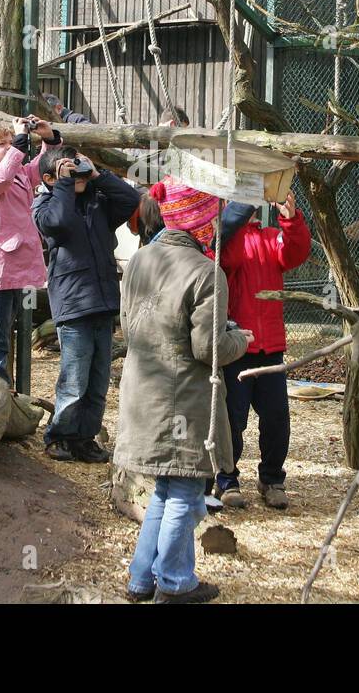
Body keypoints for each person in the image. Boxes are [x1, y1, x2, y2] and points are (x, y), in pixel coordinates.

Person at [117, 176, 252, 604]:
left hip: (143, 392)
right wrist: (240, 340)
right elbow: (208, 348)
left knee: (165, 488)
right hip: (183, 400)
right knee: (187, 489)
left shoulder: (140, 259)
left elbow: (130, 324)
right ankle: (175, 583)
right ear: (203, 220)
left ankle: (141, 579)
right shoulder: (204, 272)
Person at [33, 147, 141, 463]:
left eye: (76, 169)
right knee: (74, 379)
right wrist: (64, 185)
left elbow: (130, 201)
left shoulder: (98, 200)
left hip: (103, 300)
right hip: (74, 303)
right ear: (49, 179)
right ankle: (59, 437)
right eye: (66, 172)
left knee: (96, 382)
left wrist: (97, 174)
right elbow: (58, 223)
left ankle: (85, 438)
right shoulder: (44, 205)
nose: (76, 176)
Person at [213, 192, 312, 510]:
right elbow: (227, 259)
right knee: (233, 420)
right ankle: (226, 480)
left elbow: (296, 252)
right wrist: (238, 217)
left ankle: (272, 479)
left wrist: (291, 217)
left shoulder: (271, 237)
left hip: (270, 346)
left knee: (276, 420)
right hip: (236, 346)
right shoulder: (224, 240)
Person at [0, 115, 61, 381]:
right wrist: (19, 143)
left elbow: (41, 166)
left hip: (17, 269)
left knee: (5, 339)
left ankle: (0, 395)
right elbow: (1, 179)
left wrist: (48, 138)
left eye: (11, 143)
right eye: (1, 144)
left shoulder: (18, 173)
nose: (9, 148)